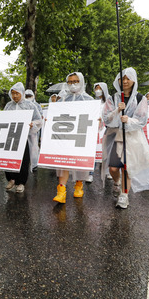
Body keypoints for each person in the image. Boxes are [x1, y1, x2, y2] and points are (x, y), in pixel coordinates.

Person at [102, 67, 149, 209]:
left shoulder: (140, 98)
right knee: (113, 168)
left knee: (127, 167)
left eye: (128, 78)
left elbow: (142, 120)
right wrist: (117, 111)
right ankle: (117, 182)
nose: (125, 81)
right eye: (122, 78)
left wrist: (129, 121)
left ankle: (124, 195)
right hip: (115, 137)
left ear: (133, 80)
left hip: (131, 138)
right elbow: (106, 119)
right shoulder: (112, 98)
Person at [53, 72, 94, 203]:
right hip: (65, 135)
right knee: (63, 162)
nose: (73, 84)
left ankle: (78, 185)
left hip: (81, 135)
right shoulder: (63, 99)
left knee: (79, 162)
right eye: (70, 82)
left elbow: (95, 119)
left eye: (76, 81)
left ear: (81, 81)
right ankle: (61, 191)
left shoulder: (89, 100)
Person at [4, 82, 43, 193]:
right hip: (10, 137)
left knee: (23, 160)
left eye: (17, 93)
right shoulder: (8, 105)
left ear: (22, 93)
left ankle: (21, 182)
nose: (15, 96)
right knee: (9, 158)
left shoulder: (30, 105)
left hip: (23, 138)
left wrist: (32, 124)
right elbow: (3, 118)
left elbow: (39, 120)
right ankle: (11, 179)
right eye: (13, 93)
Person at [93, 82, 111, 181]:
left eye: (100, 88)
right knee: (95, 150)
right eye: (96, 88)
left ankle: (108, 172)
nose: (98, 90)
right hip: (95, 129)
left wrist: (103, 120)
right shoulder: (93, 102)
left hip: (106, 128)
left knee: (106, 150)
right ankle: (90, 173)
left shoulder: (109, 101)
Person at [25, 89, 43, 169]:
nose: (28, 98)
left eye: (30, 96)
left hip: (33, 129)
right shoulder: (23, 105)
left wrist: (33, 123)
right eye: (26, 96)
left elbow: (40, 117)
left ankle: (34, 163)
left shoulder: (37, 105)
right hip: (23, 129)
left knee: (33, 146)